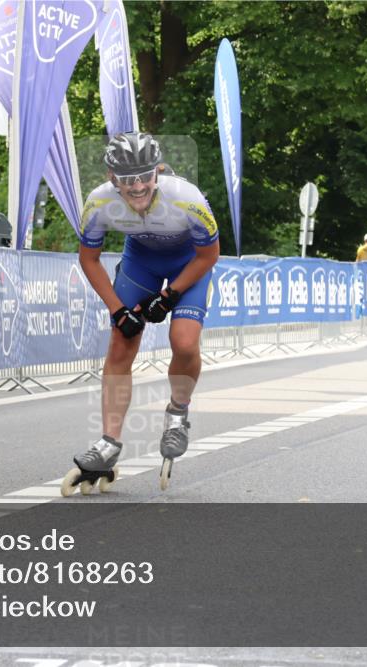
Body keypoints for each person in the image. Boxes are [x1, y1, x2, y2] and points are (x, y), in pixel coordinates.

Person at [64, 132, 220, 493]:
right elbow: (88, 259)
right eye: (126, 179)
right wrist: (118, 310)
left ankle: (178, 414)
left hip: (189, 262)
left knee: (183, 342)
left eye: (144, 177)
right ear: (111, 177)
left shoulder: (186, 198)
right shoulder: (98, 202)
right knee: (122, 340)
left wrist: (169, 295)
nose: (136, 187)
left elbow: (209, 256)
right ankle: (108, 444)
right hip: (141, 261)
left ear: (158, 171)